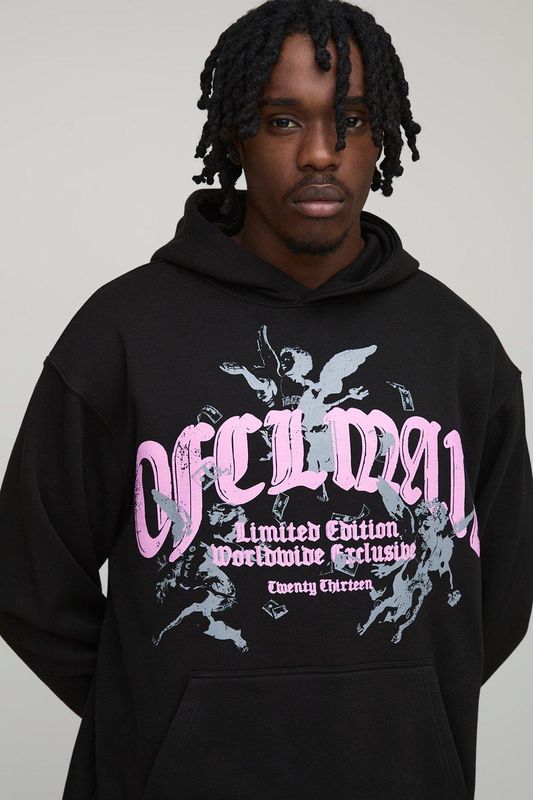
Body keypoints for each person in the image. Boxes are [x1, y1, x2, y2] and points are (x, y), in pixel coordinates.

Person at [0, 0, 531, 798]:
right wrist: (159, 716)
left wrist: (401, 703)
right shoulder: (122, 331)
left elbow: (503, 593)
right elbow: (27, 579)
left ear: (381, 137)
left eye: (350, 120)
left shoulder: (458, 345)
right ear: (236, 136)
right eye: (283, 121)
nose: (320, 152)